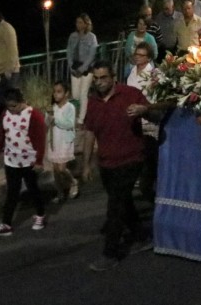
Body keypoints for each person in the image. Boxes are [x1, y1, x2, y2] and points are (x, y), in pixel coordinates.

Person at [83, 60, 154, 271]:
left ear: (113, 77)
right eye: (96, 78)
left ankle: (110, 253)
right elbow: (89, 133)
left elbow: (154, 113)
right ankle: (141, 235)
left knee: (115, 207)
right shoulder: (93, 102)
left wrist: (143, 110)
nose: (99, 82)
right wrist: (86, 164)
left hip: (130, 159)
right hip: (107, 162)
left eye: (103, 77)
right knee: (123, 202)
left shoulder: (130, 94)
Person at [0, 88, 47, 237]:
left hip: (29, 161)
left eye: (14, 106)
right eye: (9, 106)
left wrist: (39, 161)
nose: (11, 109)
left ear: (22, 102)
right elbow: (1, 135)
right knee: (12, 192)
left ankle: (40, 214)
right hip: (11, 160)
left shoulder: (34, 115)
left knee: (33, 189)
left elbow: (40, 140)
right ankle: (6, 224)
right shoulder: (5, 114)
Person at [126, 42, 160, 202]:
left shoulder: (153, 73)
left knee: (149, 155)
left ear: (148, 57)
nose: (137, 57)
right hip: (134, 118)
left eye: (141, 55)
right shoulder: (132, 71)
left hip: (147, 118)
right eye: (136, 54)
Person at [47, 81, 79, 203]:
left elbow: (70, 124)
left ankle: (73, 181)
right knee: (55, 170)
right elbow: (47, 123)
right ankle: (59, 192)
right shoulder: (53, 107)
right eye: (54, 91)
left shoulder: (70, 107)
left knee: (61, 168)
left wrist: (55, 120)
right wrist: (48, 119)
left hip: (64, 141)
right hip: (54, 140)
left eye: (59, 91)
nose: (56, 94)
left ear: (66, 93)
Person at [66, 12, 98, 126]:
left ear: (86, 24)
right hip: (75, 66)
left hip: (87, 68)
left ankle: (81, 118)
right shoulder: (73, 36)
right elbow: (69, 51)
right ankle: (81, 112)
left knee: (83, 93)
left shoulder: (91, 37)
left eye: (80, 22)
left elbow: (92, 54)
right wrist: (71, 65)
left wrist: (83, 68)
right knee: (75, 94)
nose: (78, 25)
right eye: (77, 22)